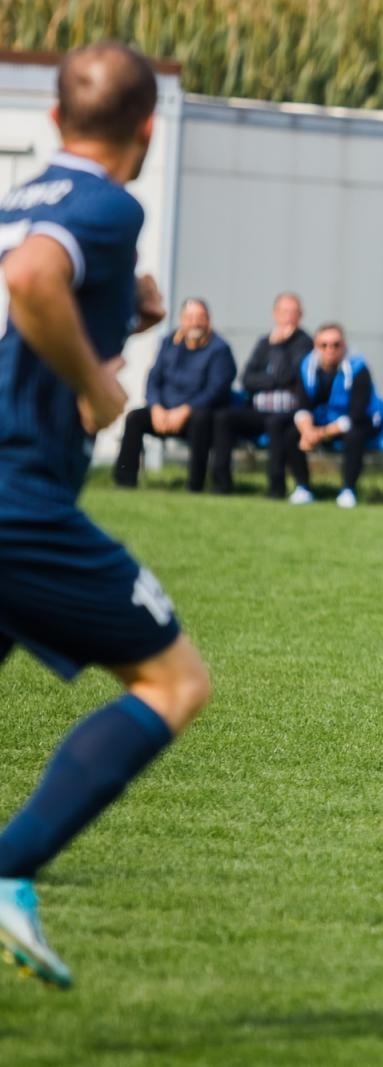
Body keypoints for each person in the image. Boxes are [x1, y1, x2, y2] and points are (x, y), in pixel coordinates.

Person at [0, 42, 212, 989]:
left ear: (51, 121)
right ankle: (9, 869)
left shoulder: (18, 199)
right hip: (17, 499)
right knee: (174, 683)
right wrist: (99, 385)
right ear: (147, 130)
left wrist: (122, 317)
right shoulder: (108, 202)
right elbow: (34, 283)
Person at [112, 297, 235, 492]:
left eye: (200, 317)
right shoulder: (168, 344)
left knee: (202, 420)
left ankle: (195, 485)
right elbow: (153, 380)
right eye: (190, 317)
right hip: (164, 412)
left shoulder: (219, 349)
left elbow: (216, 389)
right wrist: (156, 407)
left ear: (208, 319)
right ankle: (124, 482)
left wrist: (186, 410)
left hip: (196, 414)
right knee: (135, 418)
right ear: (182, 319)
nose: (195, 322)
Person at [211, 291, 312, 497]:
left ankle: (276, 487)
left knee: (275, 424)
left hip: (288, 411)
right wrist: (271, 380)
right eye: (284, 312)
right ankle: (221, 485)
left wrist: (279, 347)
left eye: (294, 312)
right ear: (275, 314)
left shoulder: (304, 343)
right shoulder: (264, 342)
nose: (289, 317)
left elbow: (290, 375)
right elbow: (247, 378)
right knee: (224, 418)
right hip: (258, 408)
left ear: (300, 316)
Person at [286, 322, 381, 509]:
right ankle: (303, 488)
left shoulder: (359, 369)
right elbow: (301, 407)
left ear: (344, 345)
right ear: (316, 346)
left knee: (355, 435)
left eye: (336, 344)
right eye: (324, 345)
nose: (330, 349)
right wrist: (307, 432)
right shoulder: (306, 367)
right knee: (290, 433)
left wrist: (318, 434)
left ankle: (348, 490)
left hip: (361, 421)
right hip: (324, 422)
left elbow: (356, 414)